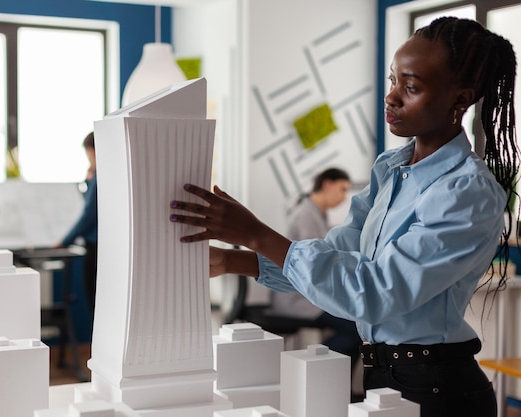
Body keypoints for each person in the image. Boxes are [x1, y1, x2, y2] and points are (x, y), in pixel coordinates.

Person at [169, 17, 518, 417]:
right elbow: (336, 258)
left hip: (437, 391)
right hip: (385, 378)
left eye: (411, 87)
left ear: (460, 99)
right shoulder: (391, 169)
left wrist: (256, 234)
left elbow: (375, 293)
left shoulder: (467, 192)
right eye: (392, 81)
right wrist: (233, 260)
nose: (391, 97)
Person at [271, 168, 362, 387]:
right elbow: (312, 265)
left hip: (307, 296)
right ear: (327, 185)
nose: (343, 197)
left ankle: (335, 386)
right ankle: (319, 377)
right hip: (297, 300)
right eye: (342, 189)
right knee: (358, 328)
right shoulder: (306, 216)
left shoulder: (316, 215)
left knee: (357, 327)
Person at [57, 132, 98, 317]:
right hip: (103, 247)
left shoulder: (101, 175)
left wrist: (64, 240)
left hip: (96, 248)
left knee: (95, 303)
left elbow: (89, 214)